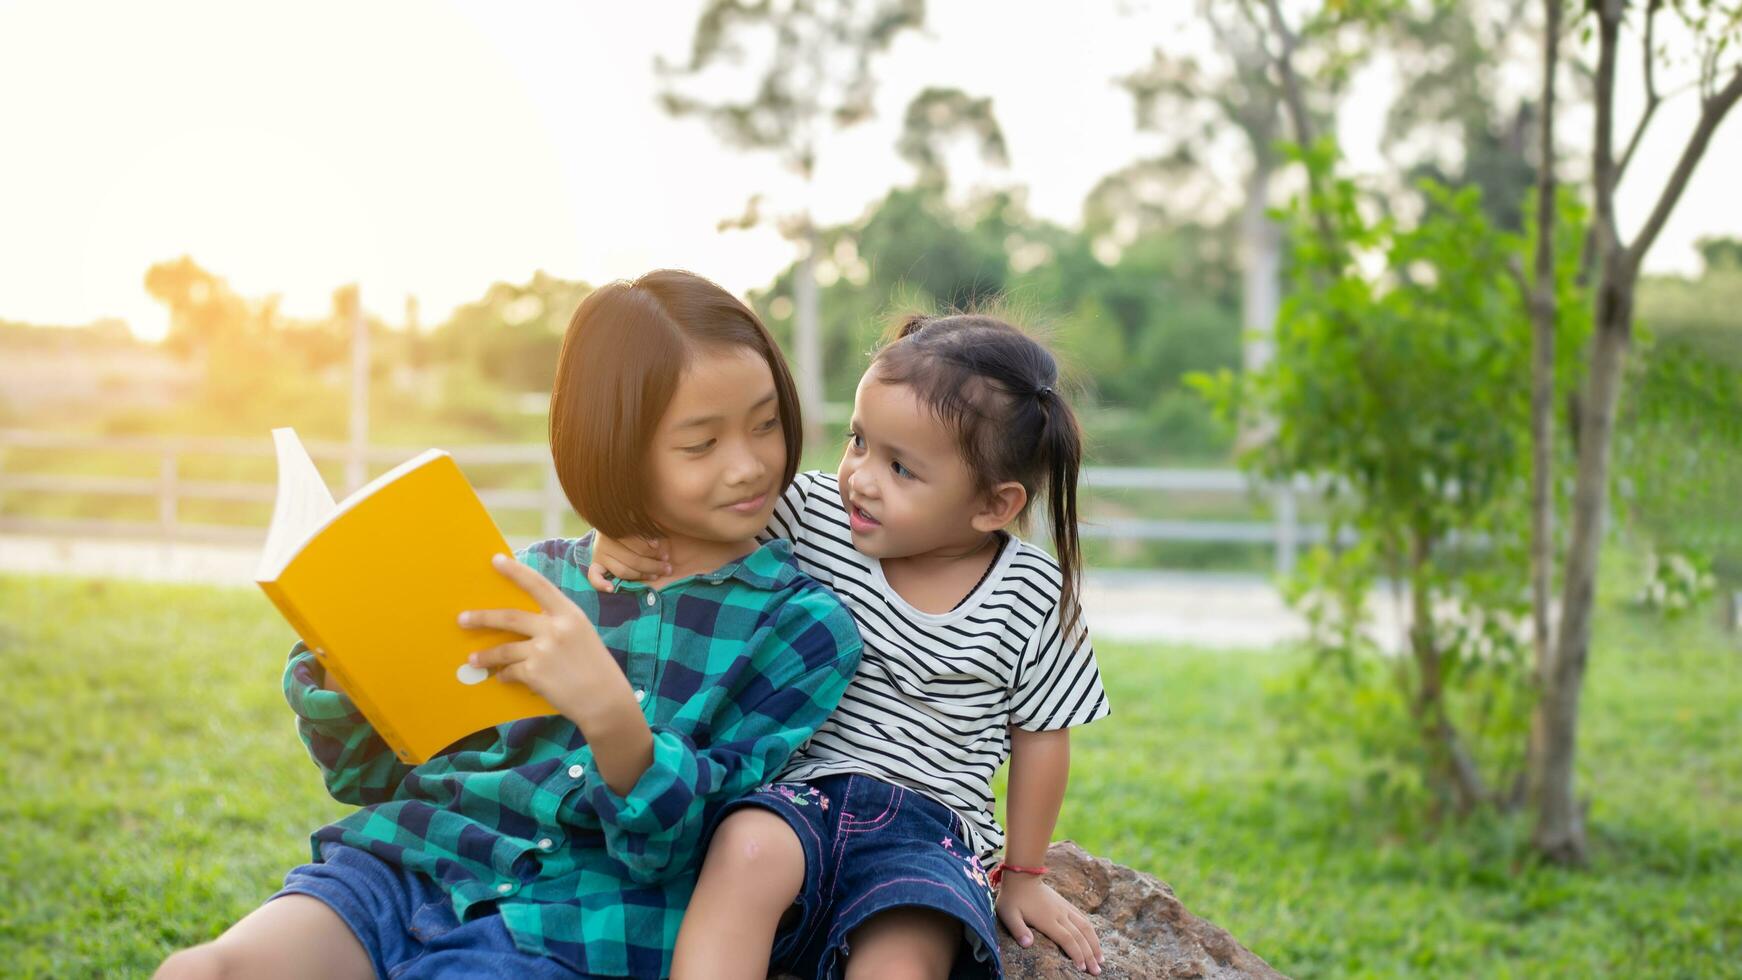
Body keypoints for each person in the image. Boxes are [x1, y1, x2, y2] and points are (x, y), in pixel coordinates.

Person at [155, 270, 863, 980]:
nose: (748, 465)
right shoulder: (526, 578)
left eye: (766, 424)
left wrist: (612, 716)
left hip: (583, 920)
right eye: (701, 444)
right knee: (198, 972)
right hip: (414, 866)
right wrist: (349, 655)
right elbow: (368, 772)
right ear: (614, 445)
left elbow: (679, 850)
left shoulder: (798, 629)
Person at [590, 312, 1111, 979]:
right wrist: (630, 532)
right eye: (858, 440)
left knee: (904, 951)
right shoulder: (813, 515)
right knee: (744, 850)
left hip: (930, 828)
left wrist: (1026, 873)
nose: (859, 476)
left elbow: (1042, 737)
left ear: (993, 505)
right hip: (800, 794)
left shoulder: (1032, 593)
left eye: (900, 468)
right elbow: (707, 527)